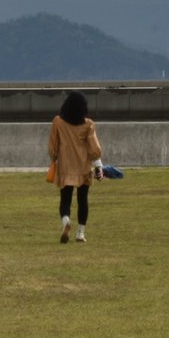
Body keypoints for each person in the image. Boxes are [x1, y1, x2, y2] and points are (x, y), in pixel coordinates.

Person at [48, 91, 103, 244]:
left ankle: (66, 221)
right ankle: (80, 233)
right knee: (82, 200)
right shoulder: (88, 124)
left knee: (65, 200)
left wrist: (54, 159)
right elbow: (94, 149)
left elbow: (53, 147)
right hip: (83, 167)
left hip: (66, 166)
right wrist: (99, 167)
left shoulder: (58, 122)